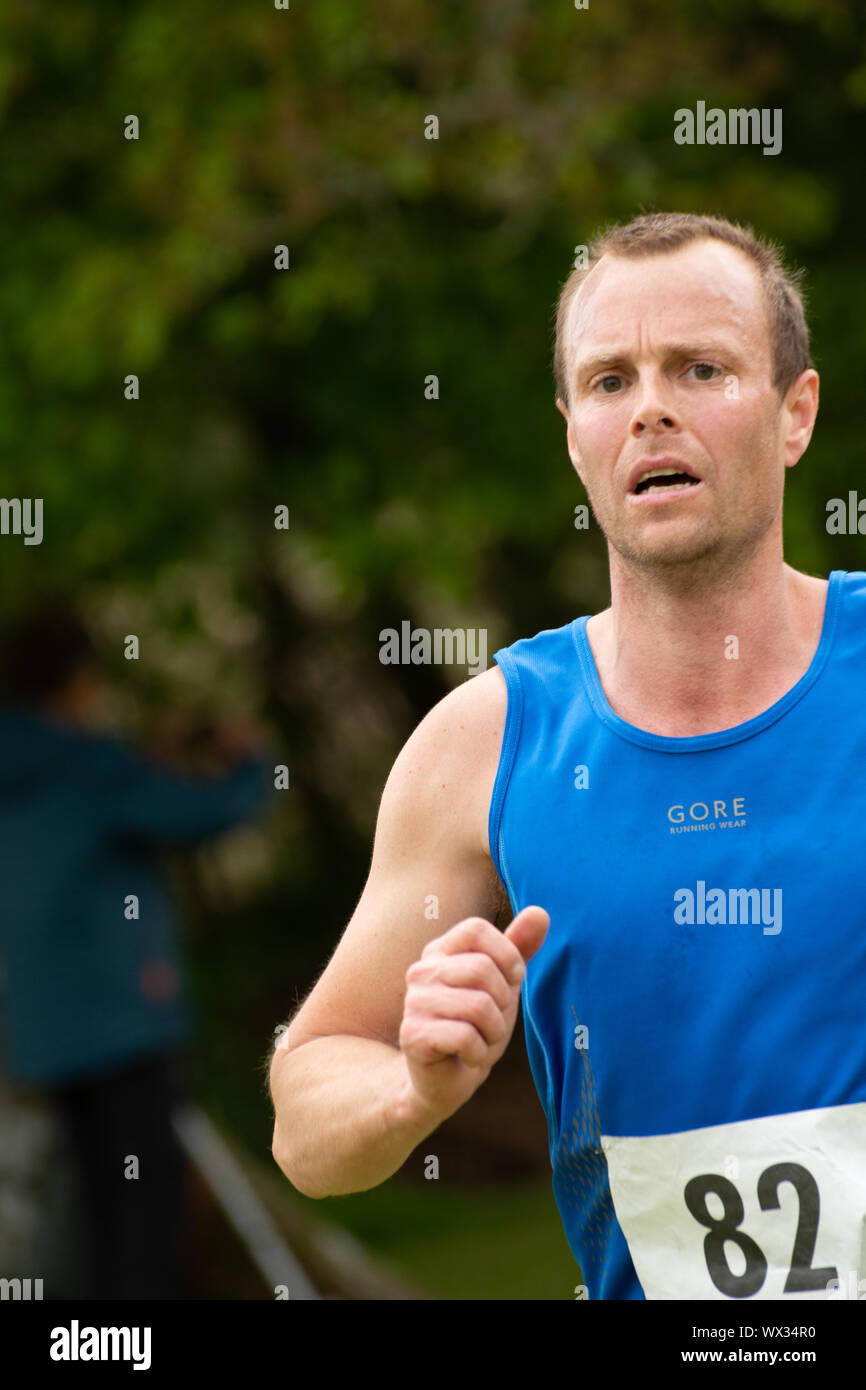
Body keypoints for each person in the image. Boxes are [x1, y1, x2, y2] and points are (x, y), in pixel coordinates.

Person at [269, 212, 866, 1301]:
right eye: (607, 381)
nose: (649, 407)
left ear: (795, 414)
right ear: (572, 436)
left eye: (700, 368)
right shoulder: (487, 741)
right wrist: (408, 1090)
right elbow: (306, 1110)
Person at [0, 603, 272, 1298]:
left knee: (97, 1211)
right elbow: (197, 813)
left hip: (44, 1036)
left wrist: (146, 759)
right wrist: (250, 762)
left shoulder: (28, 767)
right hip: (122, 1027)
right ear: (79, 681)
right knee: (146, 1218)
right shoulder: (89, 765)